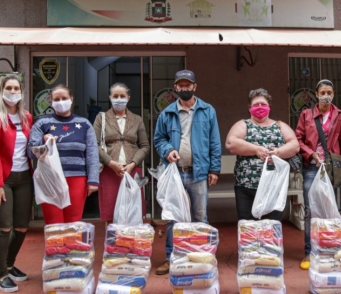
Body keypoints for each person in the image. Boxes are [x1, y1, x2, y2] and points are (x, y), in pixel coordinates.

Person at [153, 70, 221, 275]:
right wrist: (168, 151)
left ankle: (203, 256)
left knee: (200, 217)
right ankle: (171, 257)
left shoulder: (208, 110)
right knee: (174, 218)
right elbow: (158, 140)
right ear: (176, 88)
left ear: (194, 87)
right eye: (180, 85)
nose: (184, 88)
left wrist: (214, 169)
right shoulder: (166, 113)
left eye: (188, 85)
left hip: (199, 173)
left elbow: (214, 142)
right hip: (175, 173)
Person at [0, 74, 34, 293]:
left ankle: (10, 264)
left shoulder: (26, 117)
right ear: (1, 91)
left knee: (22, 227)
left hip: (25, 178)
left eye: (16, 89)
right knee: (4, 228)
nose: (13, 92)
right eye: (9, 88)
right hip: (3, 178)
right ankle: (1, 274)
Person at [294, 79, 341, 270]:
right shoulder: (306, 114)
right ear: (316, 94)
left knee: (329, 208)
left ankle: (328, 249)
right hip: (311, 167)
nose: (326, 95)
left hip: (330, 169)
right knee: (310, 210)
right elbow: (297, 139)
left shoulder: (340, 115)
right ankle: (309, 251)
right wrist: (311, 154)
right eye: (323, 92)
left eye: (329, 92)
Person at [28, 84, 99, 224]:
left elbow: (92, 153)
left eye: (64, 98)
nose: (61, 101)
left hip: (77, 179)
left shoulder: (84, 124)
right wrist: (44, 140)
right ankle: (55, 247)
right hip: (49, 178)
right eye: (57, 99)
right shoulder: (41, 123)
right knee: (54, 222)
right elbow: (31, 152)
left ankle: (72, 247)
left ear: (71, 99)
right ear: (51, 101)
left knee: (73, 221)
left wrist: (93, 180)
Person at [227, 88, 300, 221]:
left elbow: (294, 145)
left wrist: (278, 152)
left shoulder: (279, 125)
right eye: (256, 105)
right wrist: (256, 150)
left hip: (274, 187)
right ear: (249, 108)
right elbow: (231, 144)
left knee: (271, 227)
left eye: (263, 104)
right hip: (246, 186)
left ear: (269, 107)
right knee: (247, 226)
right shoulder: (243, 125)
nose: (260, 107)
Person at [93, 83, 150, 221]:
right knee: (110, 210)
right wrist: (110, 162)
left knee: (133, 211)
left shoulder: (137, 119)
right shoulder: (102, 118)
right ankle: (112, 241)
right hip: (109, 170)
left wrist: (133, 163)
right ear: (110, 98)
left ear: (128, 98)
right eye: (115, 96)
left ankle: (132, 241)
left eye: (122, 96)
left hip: (132, 170)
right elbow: (94, 145)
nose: (119, 99)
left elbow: (145, 146)